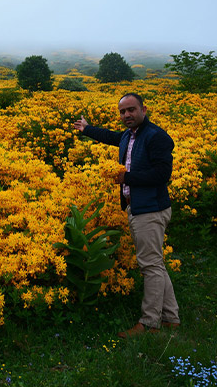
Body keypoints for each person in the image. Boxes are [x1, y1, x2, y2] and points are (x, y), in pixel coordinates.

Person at [73, 92, 180, 338]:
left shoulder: (156, 137)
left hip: (150, 209)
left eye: (131, 109)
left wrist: (127, 178)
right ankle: (171, 317)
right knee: (156, 264)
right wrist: (88, 129)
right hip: (138, 207)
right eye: (122, 112)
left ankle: (150, 323)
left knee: (150, 266)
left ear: (144, 109)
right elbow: (111, 137)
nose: (127, 115)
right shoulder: (130, 136)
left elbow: (162, 174)